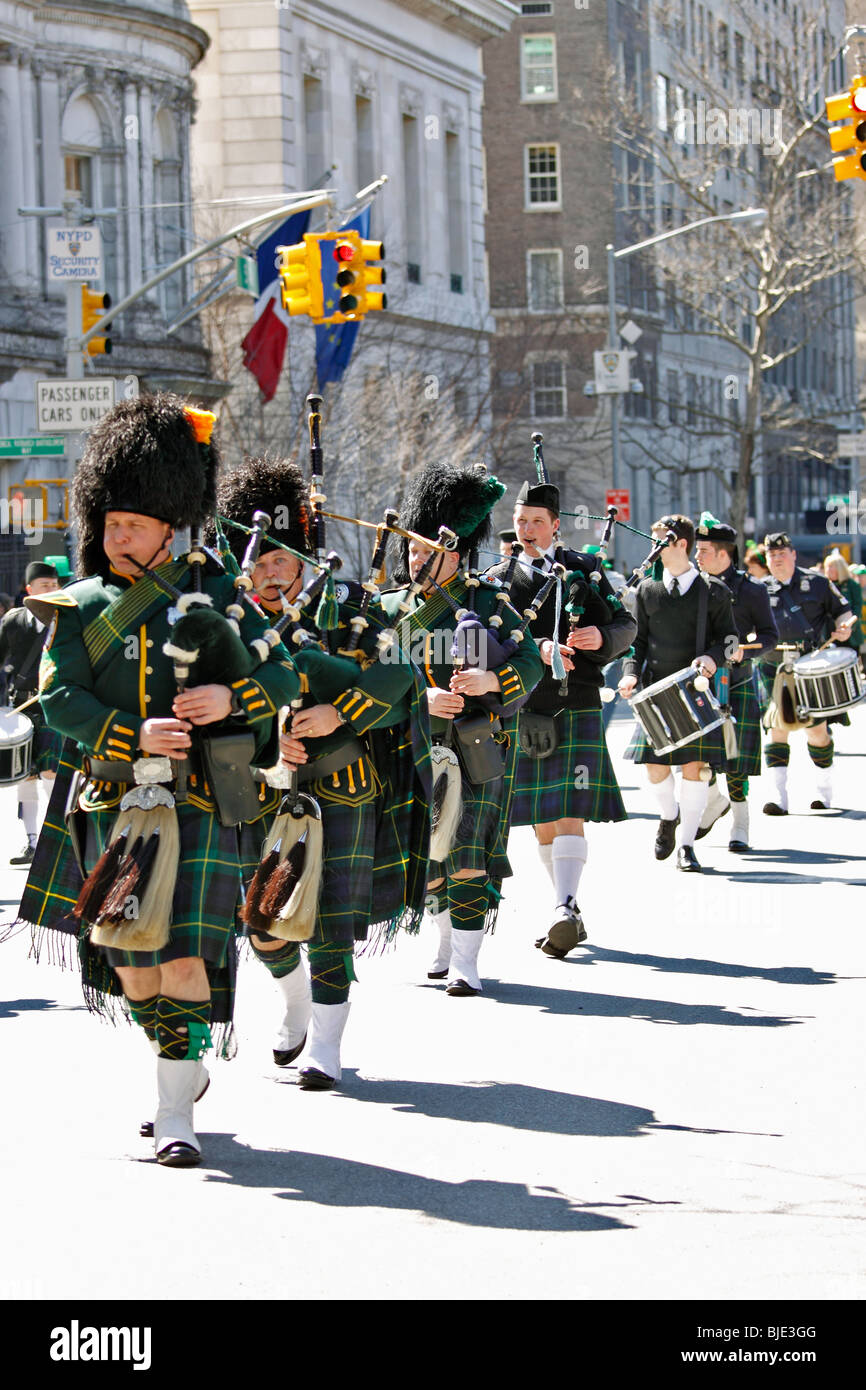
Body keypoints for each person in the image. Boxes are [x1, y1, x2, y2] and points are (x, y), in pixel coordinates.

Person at [16, 395, 297, 1167]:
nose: (114, 537)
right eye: (107, 525)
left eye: (129, 526)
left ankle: (175, 1111)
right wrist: (129, 731)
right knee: (134, 964)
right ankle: (184, 1059)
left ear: (169, 526)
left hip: (200, 801)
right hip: (116, 798)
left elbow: (282, 672)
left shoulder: (218, 593)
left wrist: (229, 698)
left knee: (181, 959)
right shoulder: (77, 608)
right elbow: (57, 699)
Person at [214, 455, 431, 1090]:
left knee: (332, 924)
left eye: (283, 559)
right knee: (261, 924)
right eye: (260, 560)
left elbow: (401, 674)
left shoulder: (353, 606)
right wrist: (268, 734)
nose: (270, 572)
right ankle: (296, 1004)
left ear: (306, 558)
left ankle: (327, 1051)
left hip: (341, 784)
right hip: (258, 790)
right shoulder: (227, 618)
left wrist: (340, 712)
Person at [380, 462, 543, 996]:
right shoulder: (387, 610)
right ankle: (445, 939)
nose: (418, 558)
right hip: (413, 744)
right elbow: (367, 679)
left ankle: (467, 962)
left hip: (477, 743)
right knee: (429, 852)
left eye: (430, 550)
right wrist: (419, 696)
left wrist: (490, 678)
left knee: (468, 850)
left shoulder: (487, 603)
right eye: (413, 549)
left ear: (457, 551)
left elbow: (532, 663)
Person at [485, 481, 635, 955]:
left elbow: (625, 626)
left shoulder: (584, 571)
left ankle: (565, 908)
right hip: (521, 705)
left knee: (567, 810)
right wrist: (537, 650)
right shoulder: (495, 579)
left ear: (555, 526)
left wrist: (599, 637)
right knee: (541, 822)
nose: (526, 529)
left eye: (536, 522)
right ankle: (563, 904)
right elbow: (487, 645)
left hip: (576, 701)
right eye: (520, 521)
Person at [618, 514, 736, 872]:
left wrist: (713, 658)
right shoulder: (647, 591)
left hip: (694, 691)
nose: (652, 549)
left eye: (658, 542)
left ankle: (687, 845)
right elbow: (635, 643)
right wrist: (629, 675)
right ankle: (669, 816)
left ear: (680, 544)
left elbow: (729, 641)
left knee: (695, 770)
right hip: (654, 690)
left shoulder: (713, 592)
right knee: (654, 768)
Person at [693, 514, 777, 851]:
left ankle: (740, 823)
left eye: (703, 551)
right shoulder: (693, 585)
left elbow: (770, 635)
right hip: (700, 681)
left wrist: (748, 650)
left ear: (723, 554)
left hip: (736, 680)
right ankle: (714, 801)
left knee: (736, 759)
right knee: (698, 758)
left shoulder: (752, 589)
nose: (696, 557)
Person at [756, 533, 854, 813]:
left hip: (810, 665)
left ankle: (823, 791)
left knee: (817, 732)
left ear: (793, 554)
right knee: (776, 728)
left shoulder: (819, 583)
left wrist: (844, 626)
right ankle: (778, 797)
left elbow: (843, 611)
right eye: (771, 555)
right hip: (772, 665)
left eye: (781, 553)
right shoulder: (759, 589)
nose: (776, 559)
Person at [0, 561, 65, 864]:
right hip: (22, 709)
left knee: (52, 774)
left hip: (53, 708)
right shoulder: (13, 621)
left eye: (54, 585)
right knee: (26, 779)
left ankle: (56, 840)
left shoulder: (67, 618)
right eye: (44, 586)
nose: (51, 591)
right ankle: (32, 842)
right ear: (29, 590)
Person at [823, 552, 863, 652]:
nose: (828, 569)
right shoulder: (823, 586)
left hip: (850, 635)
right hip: (828, 635)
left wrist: (847, 626)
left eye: (831, 566)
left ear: (839, 568)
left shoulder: (852, 585)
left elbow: (857, 608)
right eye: (827, 566)